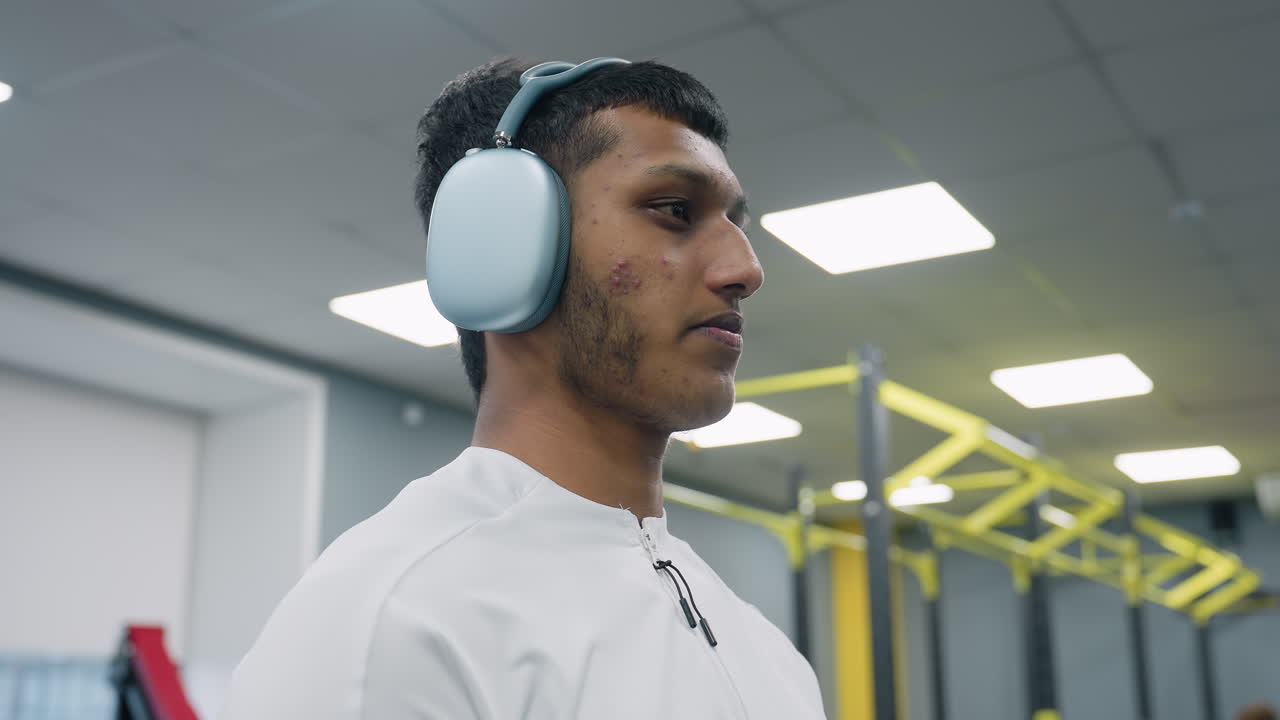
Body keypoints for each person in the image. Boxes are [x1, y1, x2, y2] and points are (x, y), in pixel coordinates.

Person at [221, 56, 826, 719]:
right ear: (508, 247)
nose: (745, 268)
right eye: (675, 210)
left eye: (735, 222)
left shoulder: (768, 654)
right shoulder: (395, 621)